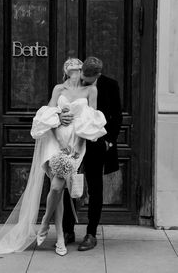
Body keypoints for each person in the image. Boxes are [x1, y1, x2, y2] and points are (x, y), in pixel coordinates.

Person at [0, 58, 107, 256]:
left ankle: (50, 227)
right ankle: (50, 228)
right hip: (55, 141)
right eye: (72, 69)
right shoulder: (59, 89)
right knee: (57, 186)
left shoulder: (91, 90)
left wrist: (78, 147)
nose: (76, 72)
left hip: (75, 144)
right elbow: (46, 115)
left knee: (58, 189)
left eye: (78, 69)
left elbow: (90, 122)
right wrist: (58, 120)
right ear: (67, 71)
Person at [62, 56, 122, 251]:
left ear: (98, 74)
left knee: (95, 189)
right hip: (73, 144)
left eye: (89, 77)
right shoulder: (73, 83)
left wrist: (109, 141)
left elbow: (117, 115)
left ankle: (91, 233)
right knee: (68, 185)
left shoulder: (110, 85)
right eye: (83, 75)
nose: (84, 80)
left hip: (97, 145)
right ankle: (67, 230)